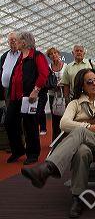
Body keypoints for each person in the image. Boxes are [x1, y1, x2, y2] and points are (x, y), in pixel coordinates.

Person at [21, 68, 95, 218]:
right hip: (83, 144)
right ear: (82, 85)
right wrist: (89, 126)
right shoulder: (75, 103)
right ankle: (78, 198)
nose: (94, 83)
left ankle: (47, 169)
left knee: (79, 132)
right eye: (89, 81)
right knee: (82, 152)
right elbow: (63, 123)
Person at [5, 31, 49, 165]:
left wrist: (35, 90)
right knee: (9, 122)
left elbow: (43, 74)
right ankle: (18, 150)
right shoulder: (20, 56)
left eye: (17, 40)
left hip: (30, 97)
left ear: (24, 42)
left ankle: (33, 153)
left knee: (30, 124)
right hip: (15, 96)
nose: (15, 43)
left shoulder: (37, 55)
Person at [46, 47, 67, 142]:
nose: (53, 55)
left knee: (65, 117)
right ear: (49, 56)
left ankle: (66, 139)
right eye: (51, 54)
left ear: (59, 54)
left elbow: (69, 80)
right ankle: (55, 140)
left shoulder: (66, 66)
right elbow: (46, 81)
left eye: (55, 53)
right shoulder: (48, 67)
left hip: (64, 95)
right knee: (55, 118)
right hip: (52, 95)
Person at [0, 32, 20, 107]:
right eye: (11, 40)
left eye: (15, 39)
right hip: (7, 90)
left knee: (19, 111)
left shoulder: (22, 54)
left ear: (18, 40)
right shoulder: (4, 56)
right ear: (8, 42)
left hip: (19, 89)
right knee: (9, 111)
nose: (13, 41)